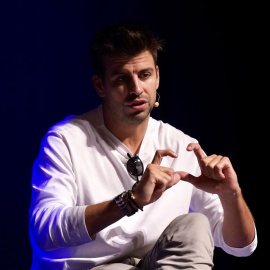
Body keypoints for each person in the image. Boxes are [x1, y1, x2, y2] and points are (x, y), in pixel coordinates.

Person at [29, 20, 257, 270]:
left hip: (155, 263)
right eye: (121, 79)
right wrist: (131, 200)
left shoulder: (183, 145)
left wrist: (231, 194)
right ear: (99, 85)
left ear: (157, 77)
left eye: (144, 75)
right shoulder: (65, 139)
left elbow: (241, 247)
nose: (136, 89)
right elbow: (44, 230)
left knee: (196, 225)